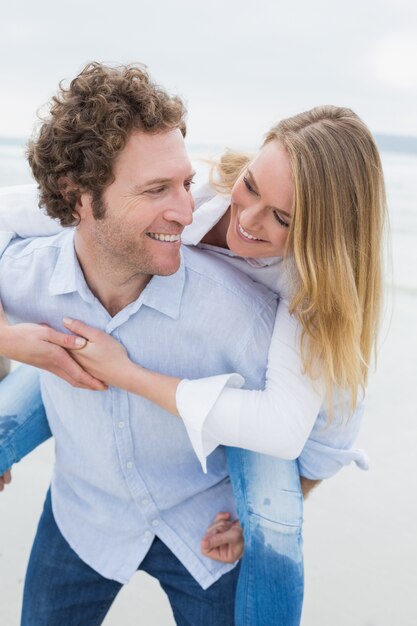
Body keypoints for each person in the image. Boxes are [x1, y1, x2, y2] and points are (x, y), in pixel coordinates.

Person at [0, 90, 387, 625]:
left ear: (320, 236)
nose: (245, 219)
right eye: (250, 186)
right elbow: (15, 212)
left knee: (276, 524)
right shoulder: (199, 189)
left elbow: (309, 431)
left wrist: (128, 374)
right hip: (89, 486)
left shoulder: (308, 296)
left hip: (227, 456)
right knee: (42, 374)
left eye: (281, 218)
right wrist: (6, 339)